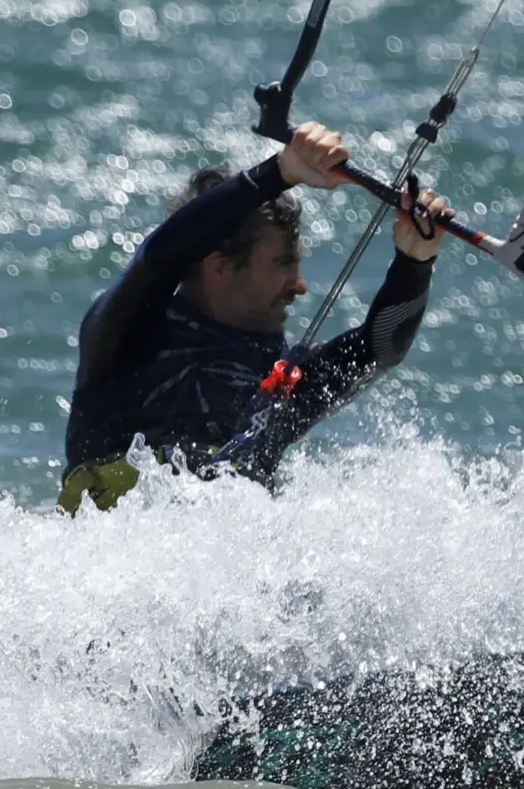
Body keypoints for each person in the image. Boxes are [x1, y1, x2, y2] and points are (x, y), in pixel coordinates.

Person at [58, 122, 452, 514]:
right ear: (218, 265)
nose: (300, 286)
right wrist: (279, 172)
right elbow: (159, 255)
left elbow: (380, 349)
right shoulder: (129, 333)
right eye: (283, 264)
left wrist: (415, 262)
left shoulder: (284, 378)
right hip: (112, 549)